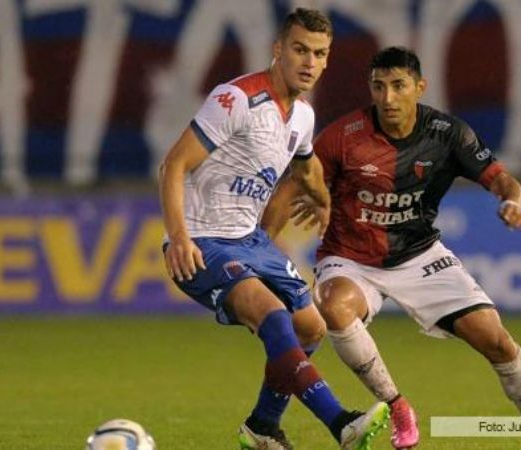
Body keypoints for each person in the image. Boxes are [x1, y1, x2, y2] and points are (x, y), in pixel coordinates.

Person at [264, 46, 521, 450]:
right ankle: (397, 406)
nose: (388, 98)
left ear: (420, 87)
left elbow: (502, 179)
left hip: (420, 255)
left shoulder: (448, 134)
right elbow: (294, 185)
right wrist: (261, 246)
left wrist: (511, 202)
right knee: (334, 306)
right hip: (350, 258)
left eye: (399, 86)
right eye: (378, 87)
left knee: (496, 340)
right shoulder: (343, 137)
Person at [158, 9, 389, 450]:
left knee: (311, 327)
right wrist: (180, 236)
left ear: (327, 61)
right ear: (278, 50)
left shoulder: (302, 115)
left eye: (318, 54)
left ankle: (263, 426)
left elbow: (307, 167)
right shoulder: (237, 99)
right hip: (204, 239)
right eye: (300, 49)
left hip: (251, 240)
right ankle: (341, 423)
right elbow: (174, 163)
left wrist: (322, 199)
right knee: (272, 314)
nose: (308, 61)